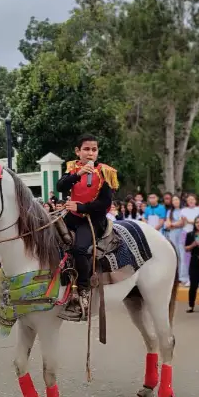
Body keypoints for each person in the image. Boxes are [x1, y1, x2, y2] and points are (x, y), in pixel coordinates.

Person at [56, 133, 119, 322]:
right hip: (72, 216)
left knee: (79, 248)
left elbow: (105, 203)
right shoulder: (72, 168)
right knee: (49, 237)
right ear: (78, 151)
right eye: (86, 149)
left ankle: (82, 291)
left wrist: (82, 207)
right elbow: (60, 186)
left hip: (93, 219)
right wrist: (79, 174)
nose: (90, 153)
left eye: (94, 149)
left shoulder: (106, 172)